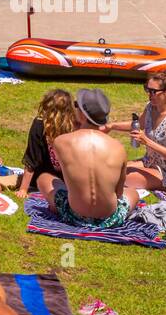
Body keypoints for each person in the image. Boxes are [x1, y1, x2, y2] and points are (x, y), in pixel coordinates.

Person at [39, 88, 140, 229]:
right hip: (110, 218)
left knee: (44, 178)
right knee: (133, 193)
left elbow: (65, 175)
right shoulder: (119, 148)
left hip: (73, 214)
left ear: (82, 114)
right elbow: (119, 193)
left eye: (76, 105)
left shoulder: (61, 142)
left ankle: (58, 208)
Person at [111, 69, 166, 192]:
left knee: (120, 177)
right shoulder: (150, 107)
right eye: (147, 89)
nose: (149, 94)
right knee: (115, 168)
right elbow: (138, 124)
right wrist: (111, 126)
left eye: (153, 91)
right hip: (149, 162)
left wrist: (146, 141)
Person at [17, 89, 75, 196]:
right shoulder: (39, 125)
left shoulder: (74, 127)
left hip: (62, 178)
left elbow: (31, 158)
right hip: (48, 176)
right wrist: (23, 189)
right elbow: (32, 157)